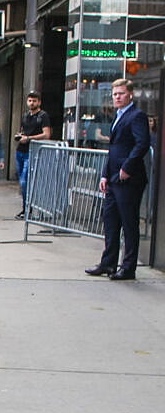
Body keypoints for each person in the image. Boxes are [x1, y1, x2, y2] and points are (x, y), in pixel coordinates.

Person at [85, 78, 150, 281]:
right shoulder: (117, 116)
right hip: (113, 178)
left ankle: (128, 267)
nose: (117, 97)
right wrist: (105, 174)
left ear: (130, 94)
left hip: (129, 179)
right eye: (114, 94)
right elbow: (113, 149)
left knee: (129, 224)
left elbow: (142, 144)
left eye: (121, 93)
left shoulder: (136, 116)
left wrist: (127, 168)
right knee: (110, 221)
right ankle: (108, 263)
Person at [14, 91, 51, 218]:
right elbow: (23, 131)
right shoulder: (25, 116)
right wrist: (20, 136)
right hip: (21, 150)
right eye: (30, 100)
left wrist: (29, 138)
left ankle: (28, 208)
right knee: (22, 181)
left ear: (39, 102)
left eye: (34, 101)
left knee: (25, 181)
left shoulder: (43, 116)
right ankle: (25, 208)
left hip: (33, 151)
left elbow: (47, 134)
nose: (32, 103)